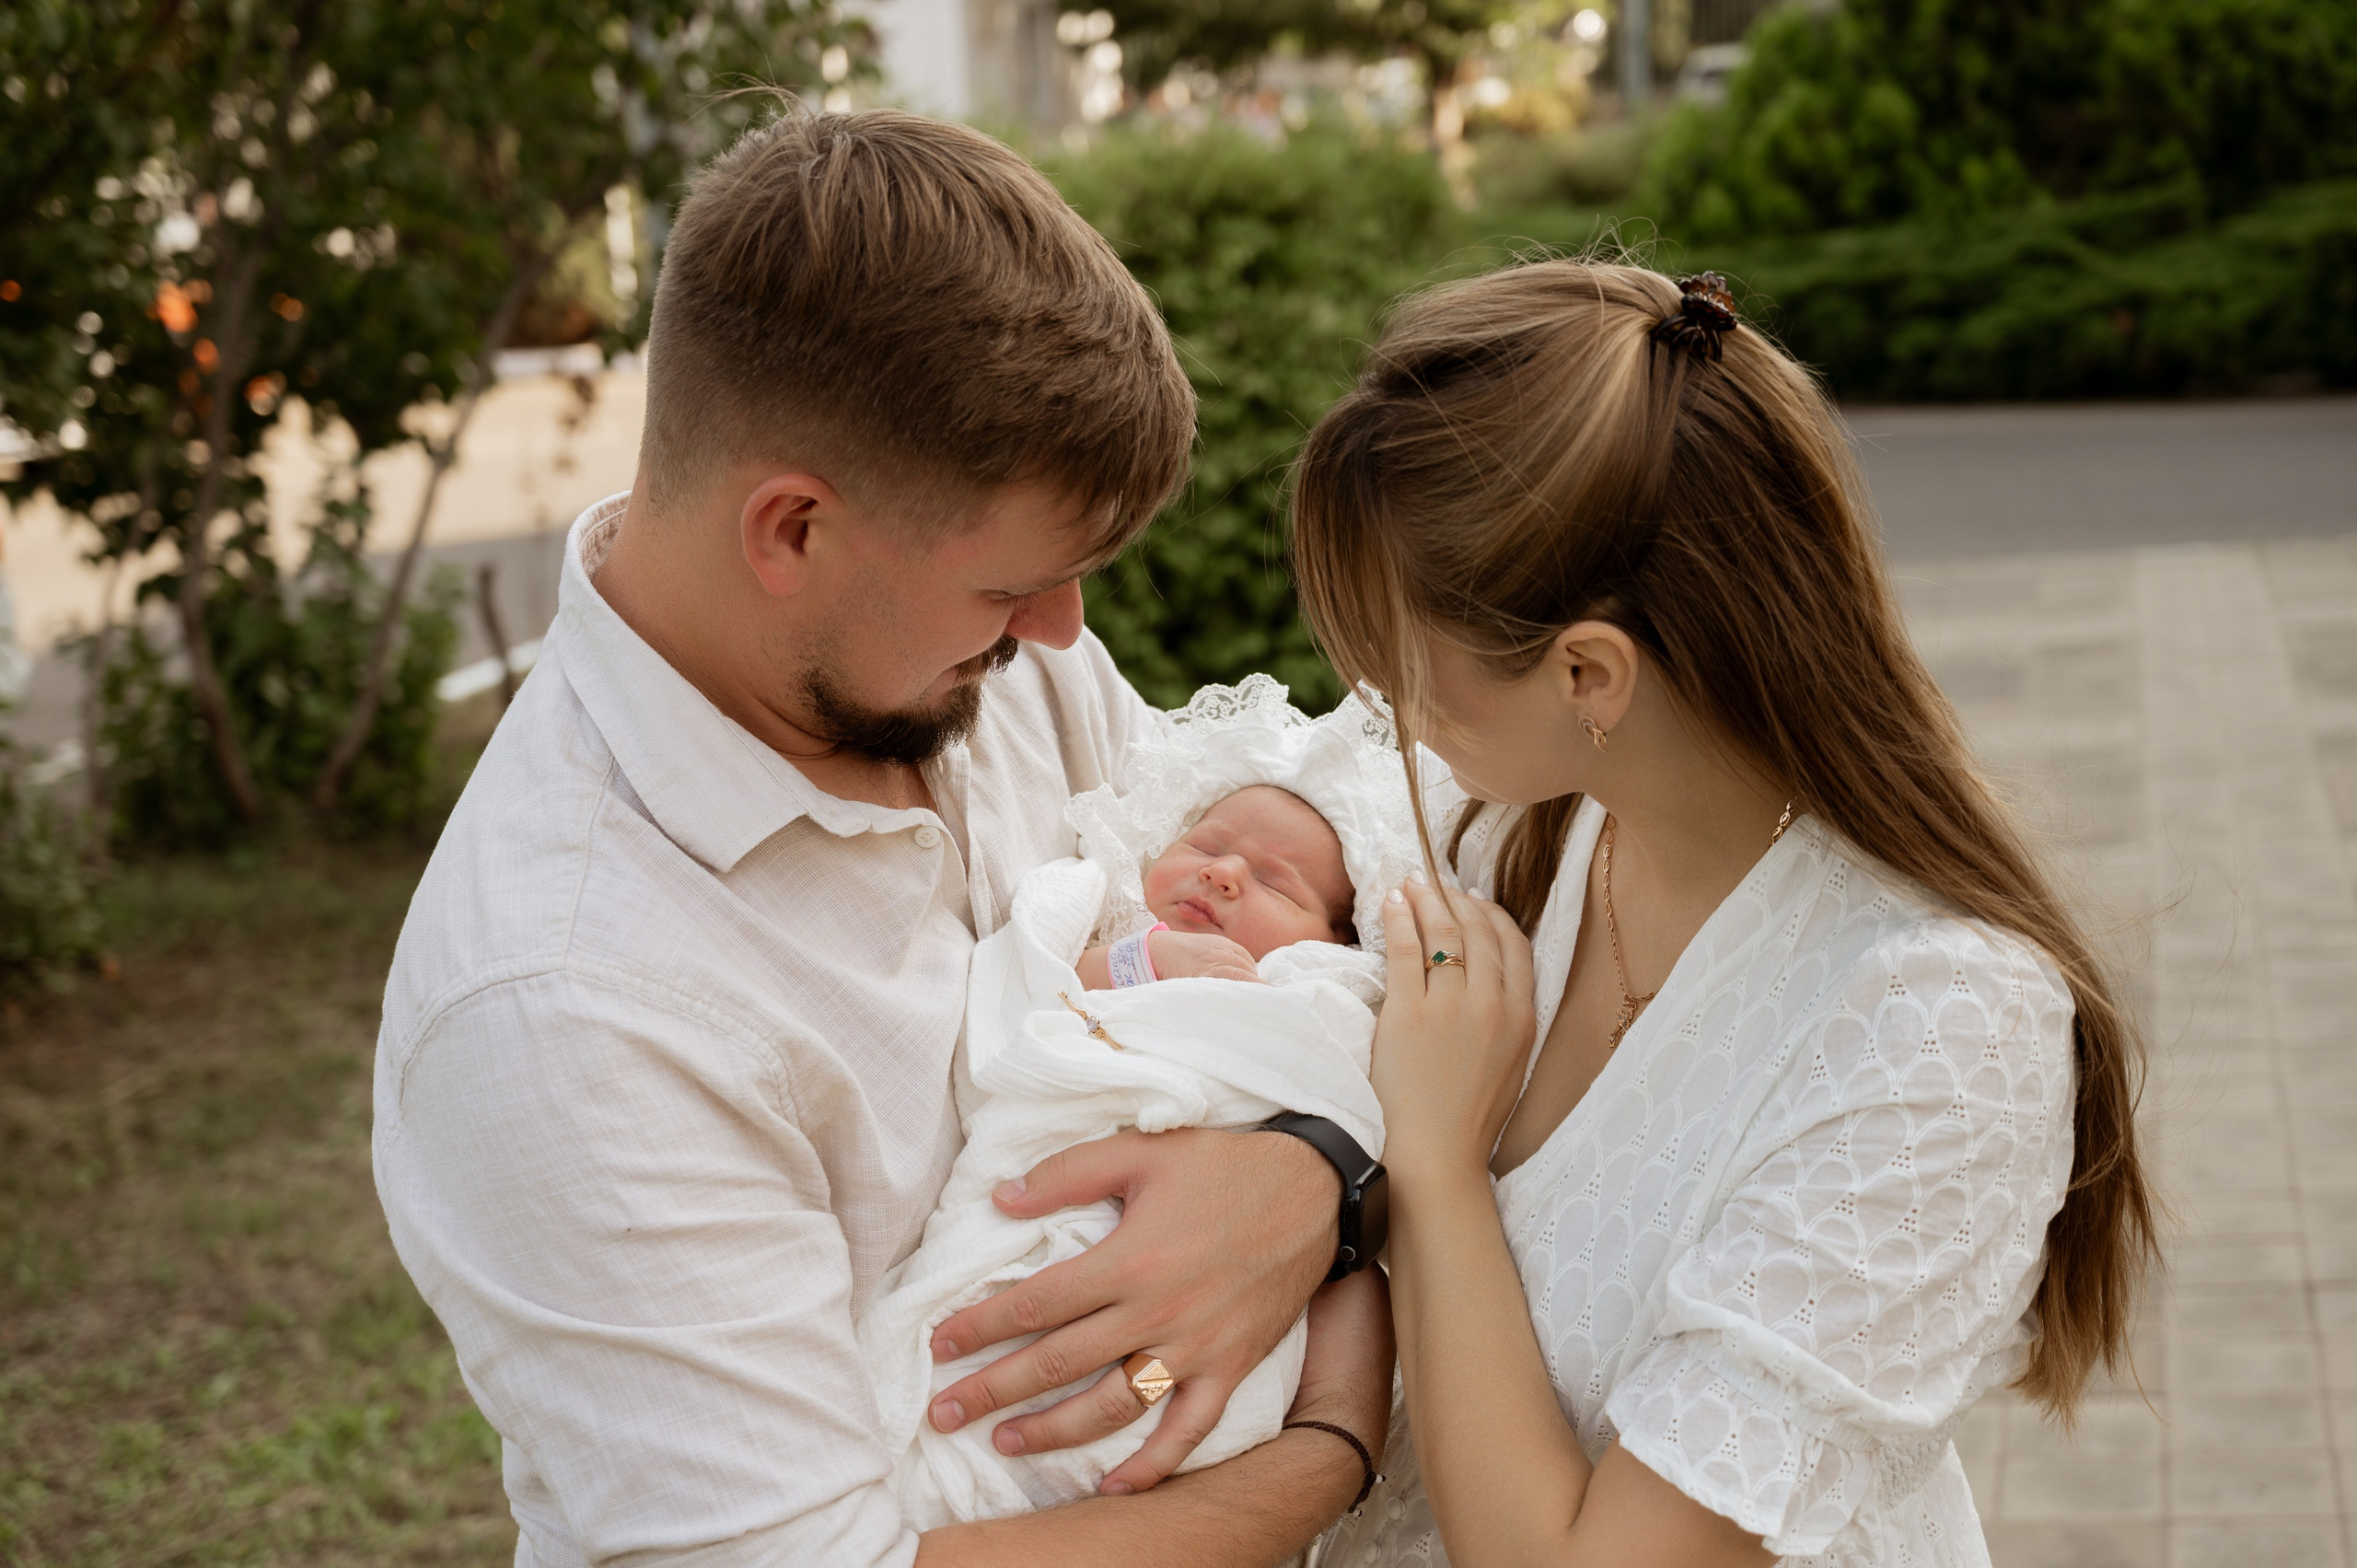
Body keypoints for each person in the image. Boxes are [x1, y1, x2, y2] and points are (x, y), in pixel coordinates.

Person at [374, 109, 1390, 1568]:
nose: (1063, 632)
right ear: (792, 528)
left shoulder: (977, 665)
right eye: (1014, 587)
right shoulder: (561, 1007)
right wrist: (1330, 1444)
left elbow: (1282, 985)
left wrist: (1314, 1173)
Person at [1288, 261, 2159, 1567]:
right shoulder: (1521, 826)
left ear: (1590, 672)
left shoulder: (1936, 1028)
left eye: (1406, 659)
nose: (1379, 698)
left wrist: (1438, 1164)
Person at [867, 684, 1419, 1530]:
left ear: (1333, 943)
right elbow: (1020, 998)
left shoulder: (1325, 1000)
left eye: (1276, 883)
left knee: (1157, 1401)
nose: (1224, 872)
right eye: (1206, 844)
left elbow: (1352, 1108)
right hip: (1040, 1192)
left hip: (1214, 1292)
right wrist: (1142, 962)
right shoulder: (1105, 930)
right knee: (961, 1352)